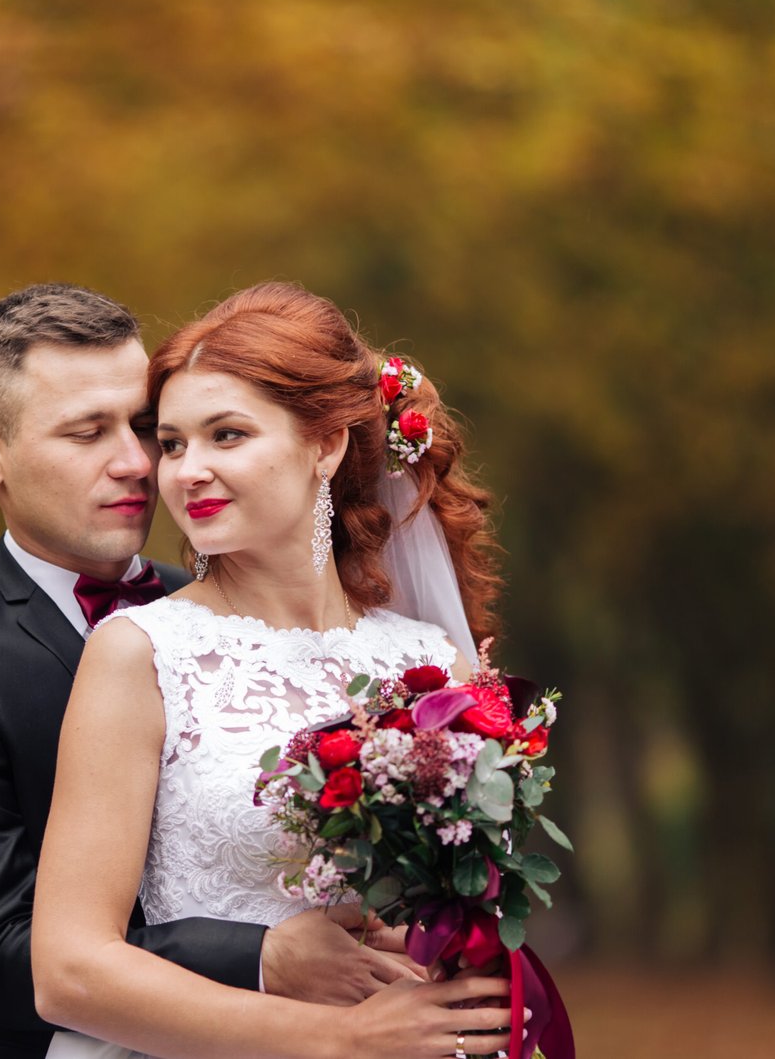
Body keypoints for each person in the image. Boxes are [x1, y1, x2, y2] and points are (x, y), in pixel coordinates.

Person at [0, 284, 427, 1059]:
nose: (135, 463)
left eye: (142, 427)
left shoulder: (226, 614)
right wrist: (261, 956)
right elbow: (4, 951)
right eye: (87, 432)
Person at [32, 282, 517, 1059]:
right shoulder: (141, 653)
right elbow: (68, 970)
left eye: (227, 435)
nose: (187, 470)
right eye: (173, 443)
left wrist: (440, 948)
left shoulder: (434, 664)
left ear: (325, 446)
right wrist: (344, 1037)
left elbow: (472, 918)